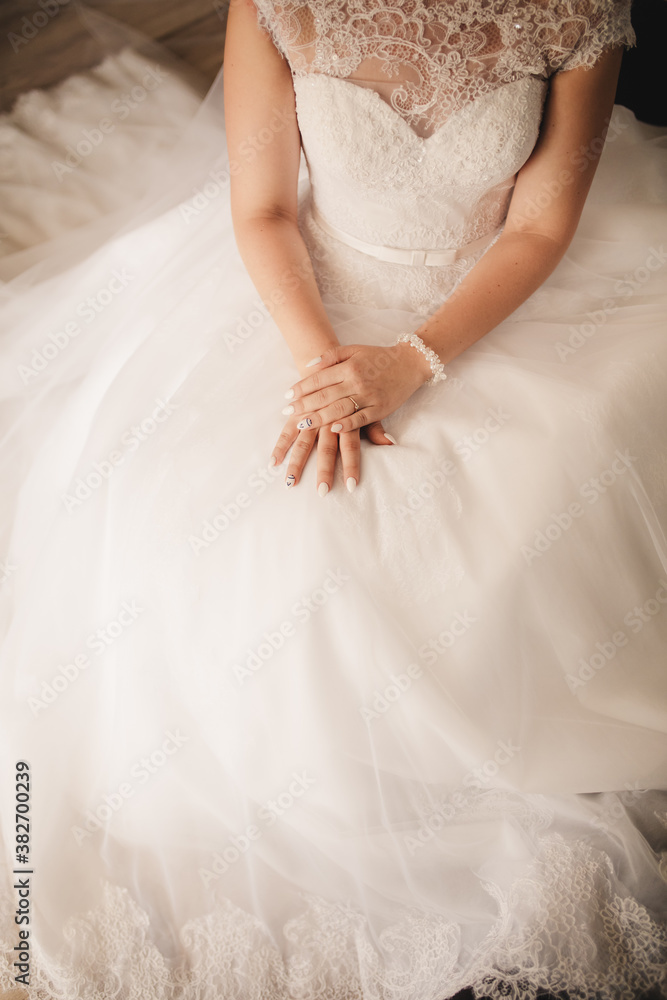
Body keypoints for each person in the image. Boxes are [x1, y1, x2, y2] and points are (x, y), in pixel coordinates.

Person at [0, 1, 666, 997]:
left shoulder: (571, 15)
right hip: (308, 292)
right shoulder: (281, 4)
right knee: (203, 518)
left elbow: (538, 224)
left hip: (497, 297)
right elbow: (263, 209)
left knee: (516, 501)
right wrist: (327, 372)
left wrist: (412, 361)